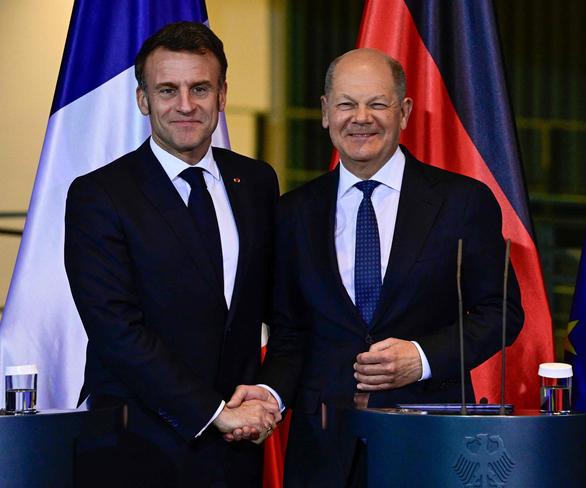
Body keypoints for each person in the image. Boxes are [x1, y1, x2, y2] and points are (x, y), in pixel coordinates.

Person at [227, 48, 524, 487]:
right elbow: (289, 333)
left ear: (403, 111)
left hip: (429, 437)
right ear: (326, 112)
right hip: (323, 449)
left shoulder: (462, 202)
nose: (360, 117)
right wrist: (269, 395)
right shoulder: (293, 213)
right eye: (346, 103)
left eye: (377, 103)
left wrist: (420, 358)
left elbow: (502, 313)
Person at [64, 22, 280, 487]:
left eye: (200, 88)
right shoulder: (99, 195)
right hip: (136, 449)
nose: (185, 105)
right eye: (168, 90)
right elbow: (116, 329)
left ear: (222, 94)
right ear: (142, 99)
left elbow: (279, 308)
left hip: (237, 449)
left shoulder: (257, 182)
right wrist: (212, 412)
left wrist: (266, 394)